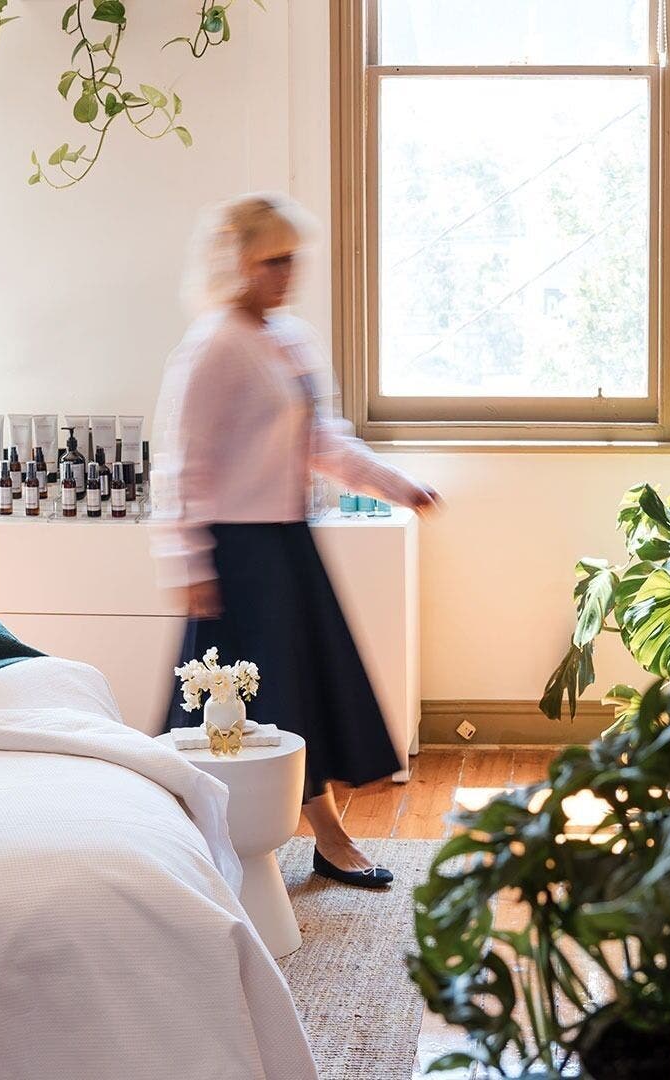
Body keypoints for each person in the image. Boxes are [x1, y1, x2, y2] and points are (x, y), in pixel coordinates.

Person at [153, 192, 441, 888]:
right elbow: (178, 463)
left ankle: (319, 838)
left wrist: (394, 483)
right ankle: (183, 847)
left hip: (287, 544)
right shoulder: (214, 344)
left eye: (291, 259)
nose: (286, 274)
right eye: (271, 261)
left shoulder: (289, 339)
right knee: (233, 709)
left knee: (299, 693)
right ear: (237, 264)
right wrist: (188, 563)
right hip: (234, 554)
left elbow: (322, 441)